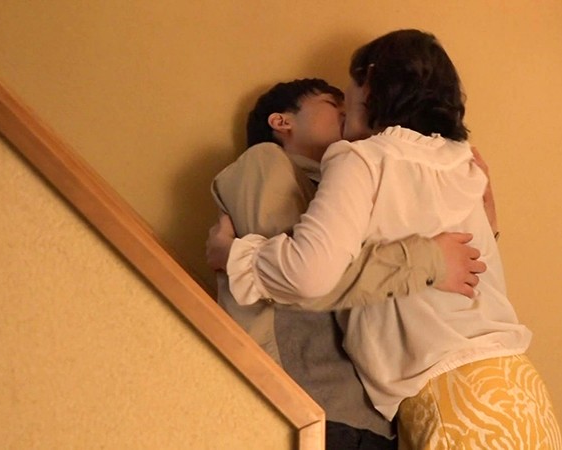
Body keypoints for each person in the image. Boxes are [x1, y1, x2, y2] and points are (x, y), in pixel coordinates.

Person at [209, 30, 562, 449]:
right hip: (521, 388)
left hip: (457, 402)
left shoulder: (361, 159)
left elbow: (308, 275)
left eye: (346, 91)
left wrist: (234, 256)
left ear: (372, 79)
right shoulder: (464, 161)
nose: (344, 108)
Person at [207, 78, 487, 450]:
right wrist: (430, 260)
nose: (348, 111)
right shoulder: (265, 161)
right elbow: (299, 279)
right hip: (310, 407)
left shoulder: (339, 191)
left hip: (359, 417)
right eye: (331, 103)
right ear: (281, 121)